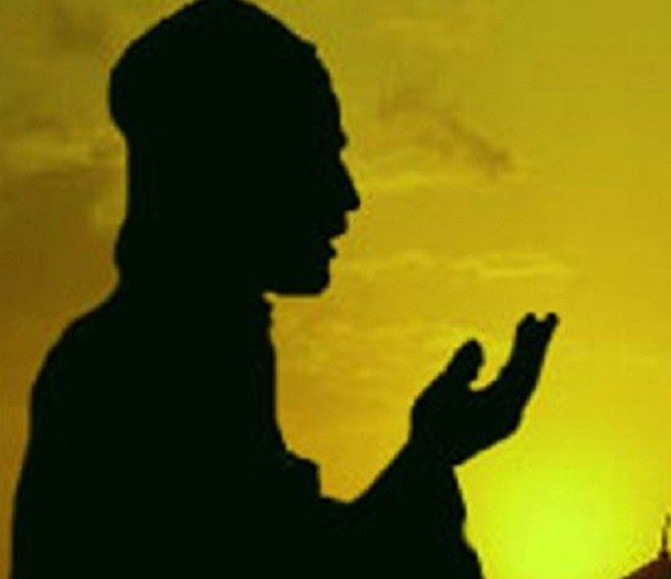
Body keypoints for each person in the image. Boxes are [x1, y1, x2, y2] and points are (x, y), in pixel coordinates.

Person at [10, 1, 558, 577]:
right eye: (318, 156)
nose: (347, 196)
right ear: (234, 168)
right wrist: (430, 463)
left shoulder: (181, 354)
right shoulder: (140, 370)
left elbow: (310, 550)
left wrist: (433, 448)